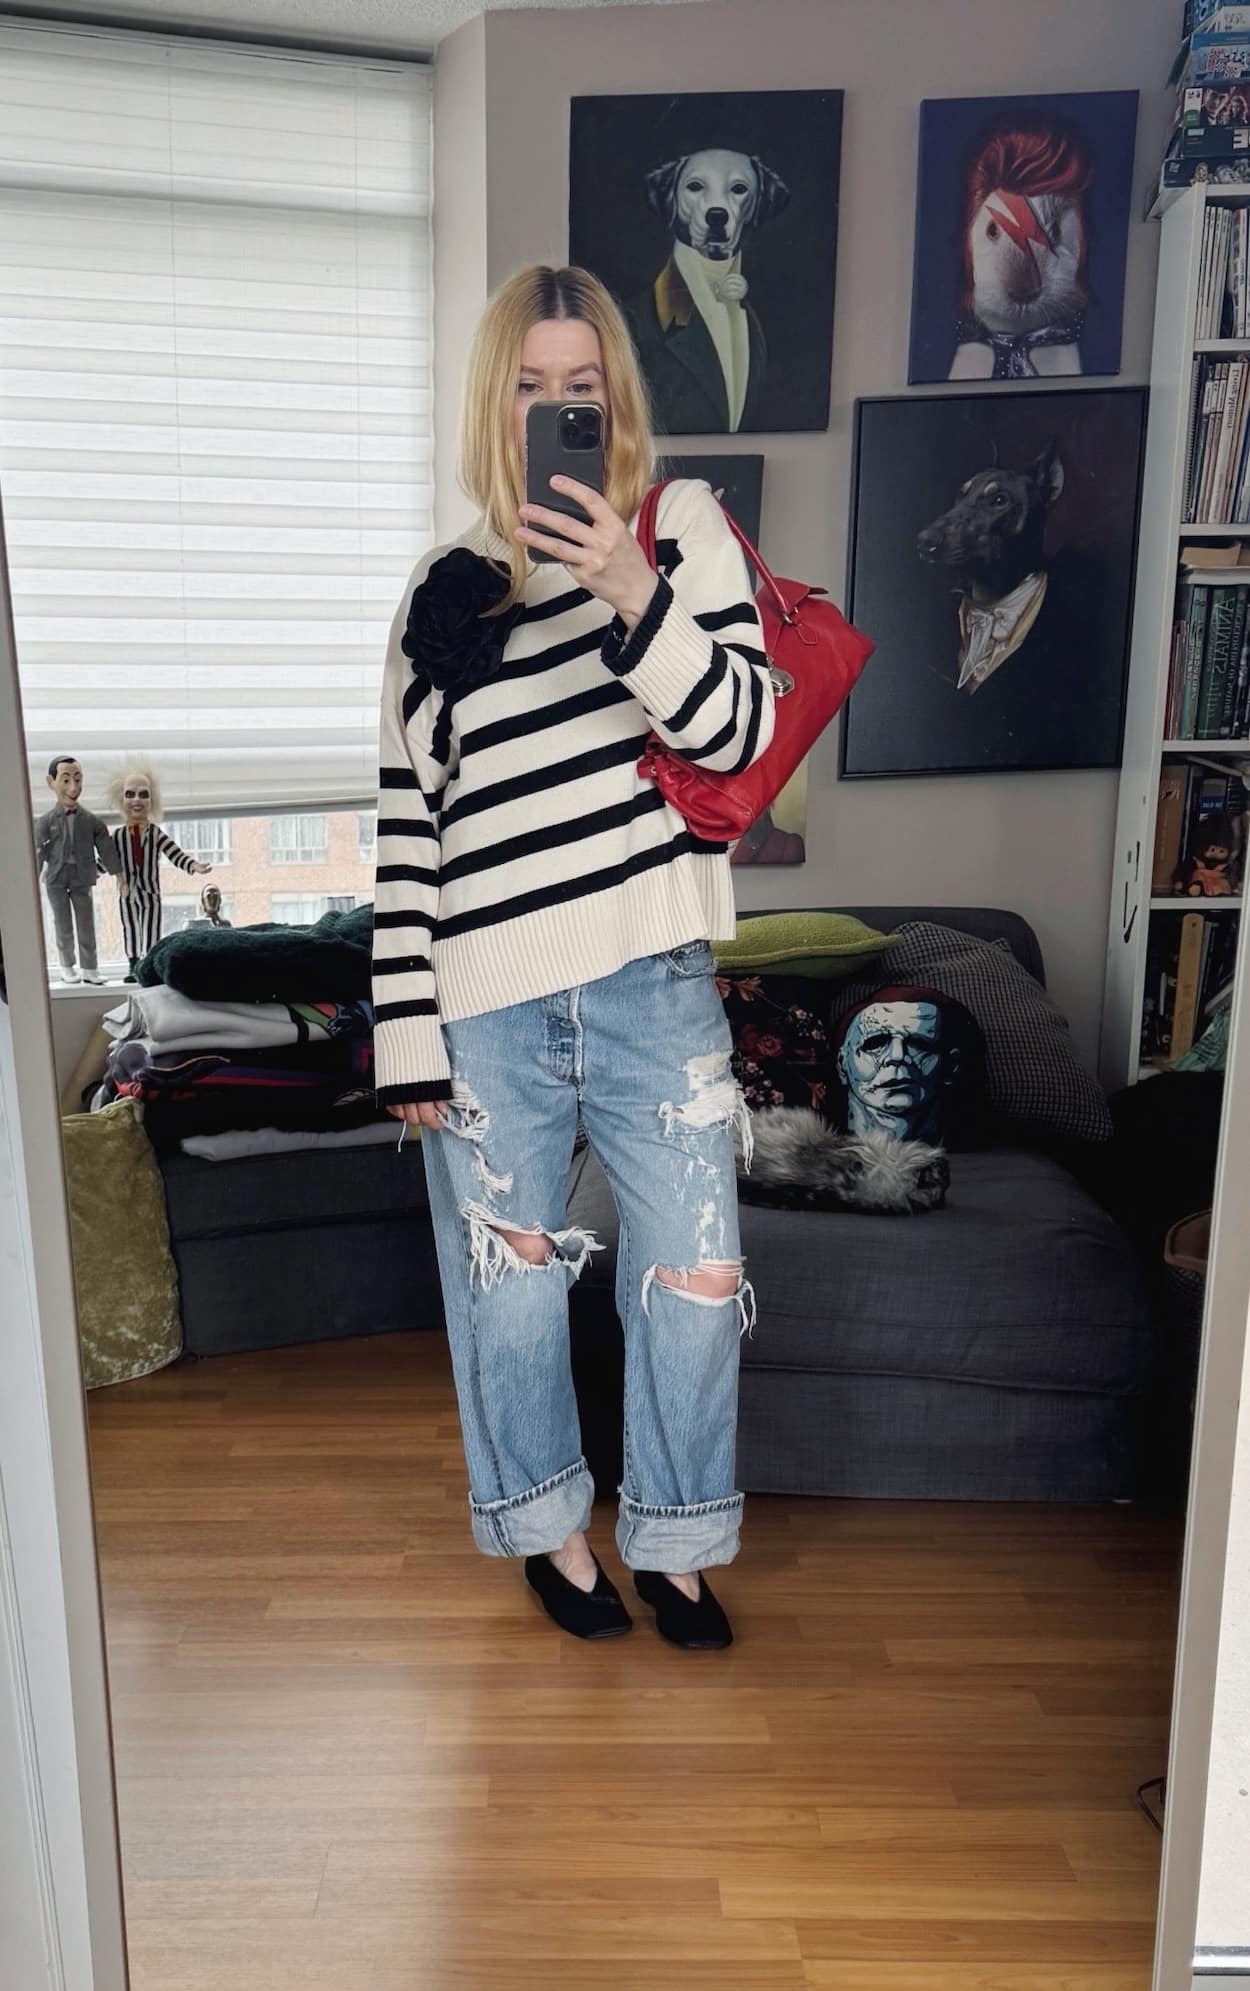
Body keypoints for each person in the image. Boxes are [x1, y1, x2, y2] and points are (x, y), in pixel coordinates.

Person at [372, 265, 775, 1650]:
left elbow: (733, 734)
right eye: (531, 389)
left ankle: (674, 1539)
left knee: (698, 1278)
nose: (556, 411)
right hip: (479, 1004)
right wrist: (404, 1028)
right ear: (497, 401)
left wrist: (624, 584)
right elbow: (408, 821)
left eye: (581, 392)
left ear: (616, 403)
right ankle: (549, 1525)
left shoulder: (678, 528)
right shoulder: (441, 594)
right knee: (513, 1287)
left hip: (649, 978)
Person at [105, 763, 211, 979]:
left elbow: (175, 854)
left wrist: (193, 866)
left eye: (143, 795)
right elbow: (105, 861)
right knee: (131, 929)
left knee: (151, 929)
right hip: (127, 894)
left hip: (150, 893)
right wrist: (85, 874)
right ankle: (134, 965)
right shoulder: (117, 837)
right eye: (130, 794)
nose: (136, 800)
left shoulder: (155, 834)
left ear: (152, 801)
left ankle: (150, 965)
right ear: (121, 800)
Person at [34, 754, 122, 984]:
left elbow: (106, 848)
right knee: (62, 923)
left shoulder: (92, 820)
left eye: (78, 779)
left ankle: (90, 967)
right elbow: (37, 852)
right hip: (55, 876)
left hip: (82, 876)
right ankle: (67, 965)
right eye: (65, 780)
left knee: (86, 921)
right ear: (51, 782)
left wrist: (119, 874)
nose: (73, 787)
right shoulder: (44, 822)